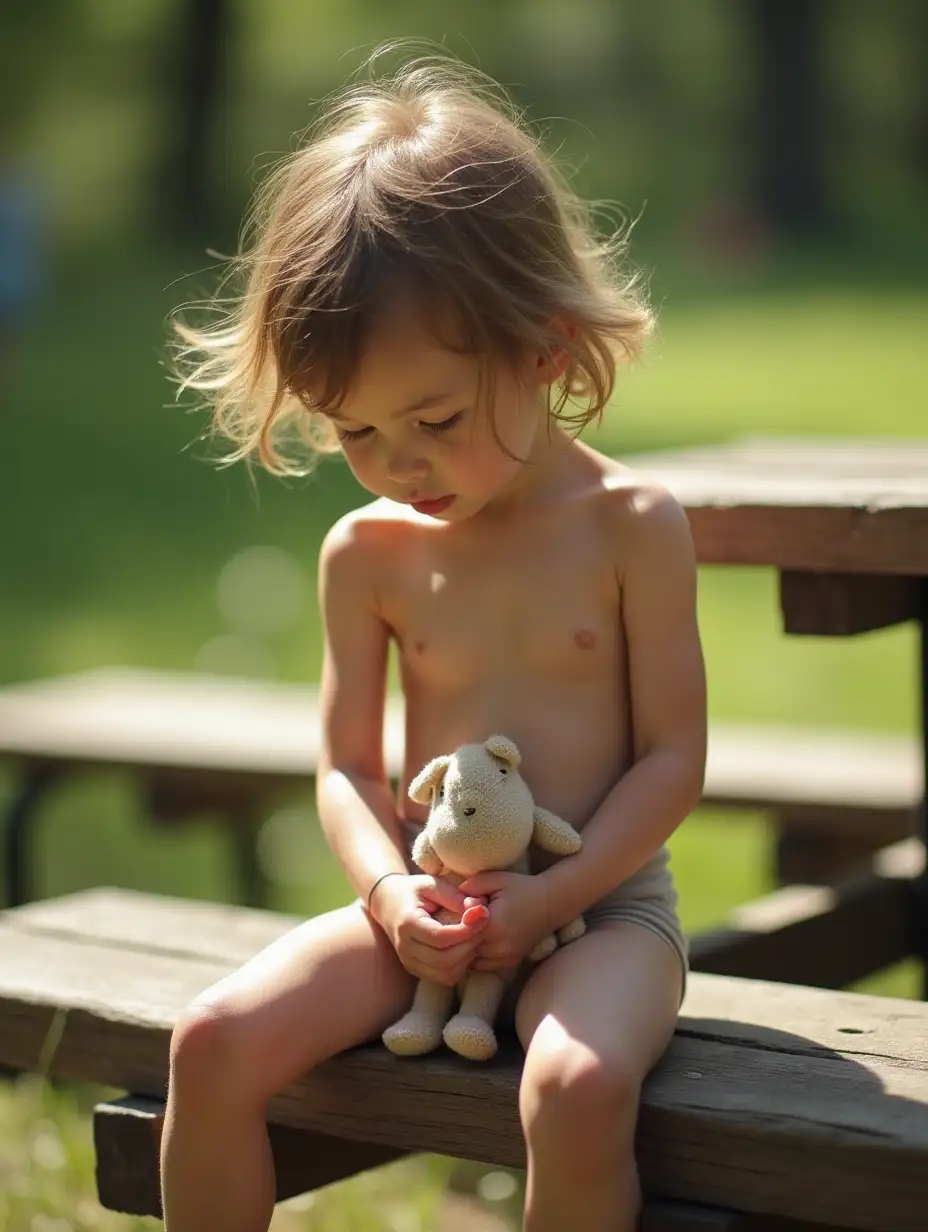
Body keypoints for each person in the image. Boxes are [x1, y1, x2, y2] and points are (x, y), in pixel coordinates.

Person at [162, 49, 706, 1232]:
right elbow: (348, 768)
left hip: (603, 911)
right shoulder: (367, 553)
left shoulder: (632, 529)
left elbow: (671, 760)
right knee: (208, 1041)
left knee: (575, 1083)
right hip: (422, 912)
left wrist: (555, 888)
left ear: (547, 346)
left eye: (437, 420)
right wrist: (390, 891)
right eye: (354, 428)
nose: (398, 465)